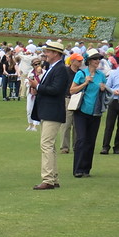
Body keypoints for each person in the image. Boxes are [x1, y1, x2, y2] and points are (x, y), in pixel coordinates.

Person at [30, 40, 71, 190]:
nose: (45, 54)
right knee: (50, 146)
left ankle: (47, 179)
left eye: (48, 51)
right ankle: (53, 178)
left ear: (55, 53)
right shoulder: (53, 67)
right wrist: (38, 89)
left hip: (52, 112)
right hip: (48, 111)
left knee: (46, 144)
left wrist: (37, 86)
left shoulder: (60, 69)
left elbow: (56, 90)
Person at [68, 51, 108, 178]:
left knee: (91, 141)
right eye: (95, 59)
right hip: (81, 111)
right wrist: (85, 83)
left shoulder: (101, 75)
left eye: (98, 59)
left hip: (95, 112)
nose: (97, 61)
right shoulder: (81, 73)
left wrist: (104, 88)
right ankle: (78, 169)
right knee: (81, 139)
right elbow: (71, 90)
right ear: (89, 61)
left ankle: (86, 169)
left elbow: (106, 92)